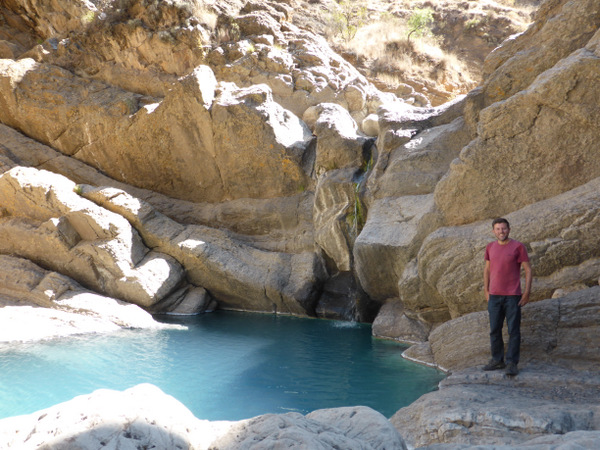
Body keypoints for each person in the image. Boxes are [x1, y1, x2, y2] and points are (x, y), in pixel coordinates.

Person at [483, 218, 532, 376]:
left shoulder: (518, 247)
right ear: (493, 231)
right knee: (494, 330)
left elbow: (528, 270)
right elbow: (487, 270)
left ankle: (512, 363)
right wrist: (486, 290)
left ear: (509, 230)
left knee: (514, 331)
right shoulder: (490, 247)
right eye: (498, 229)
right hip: (494, 296)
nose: (501, 232)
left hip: (513, 296)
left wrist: (526, 293)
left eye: (503, 229)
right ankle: (497, 360)